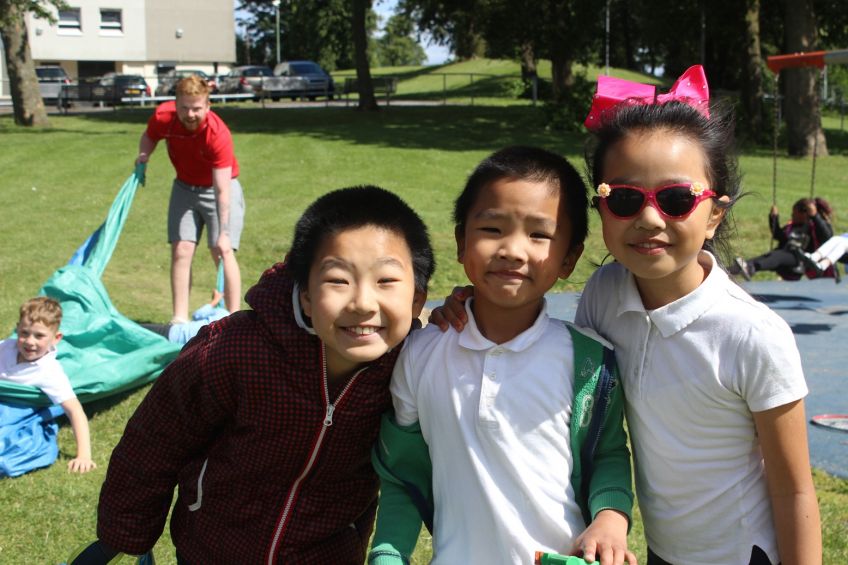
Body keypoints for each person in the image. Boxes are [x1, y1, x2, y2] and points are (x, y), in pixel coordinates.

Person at [433, 67, 822, 565]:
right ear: (601, 207)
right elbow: (562, 372)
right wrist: (470, 306)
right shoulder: (605, 293)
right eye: (625, 198)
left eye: (678, 199)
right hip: (663, 552)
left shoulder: (753, 335)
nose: (650, 218)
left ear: (716, 214)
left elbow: (795, 492)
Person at [72, 186, 434, 563]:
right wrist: (124, 534)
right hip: (212, 550)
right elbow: (156, 439)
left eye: (386, 281)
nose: (362, 303)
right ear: (306, 297)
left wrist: (465, 310)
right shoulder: (234, 350)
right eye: (338, 280)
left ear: (417, 299)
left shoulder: (413, 367)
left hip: (329, 554)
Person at [368, 147, 635, 565]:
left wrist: (611, 519)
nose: (513, 249)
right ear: (461, 242)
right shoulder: (419, 353)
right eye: (492, 228)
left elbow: (608, 454)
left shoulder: (588, 362)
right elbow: (402, 475)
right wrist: (387, 554)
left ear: (569, 258)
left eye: (539, 235)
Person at [136, 74, 245, 324]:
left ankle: (234, 319)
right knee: (181, 250)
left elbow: (222, 189)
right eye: (184, 108)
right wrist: (144, 155)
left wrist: (224, 232)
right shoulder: (165, 117)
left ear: (207, 106)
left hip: (219, 189)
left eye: (197, 108)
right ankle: (179, 319)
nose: (190, 114)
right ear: (175, 104)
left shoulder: (217, 134)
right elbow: (149, 136)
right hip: (184, 188)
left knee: (222, 251)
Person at [0, 297, 95, 473]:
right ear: (17, 329)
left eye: (39, 336)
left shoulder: (49, 372)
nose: (30, 341)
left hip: (17, 412)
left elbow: (74, 410)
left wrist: (84, 455)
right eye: (24, 333)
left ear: (56, 338)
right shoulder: (6, 348)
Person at [732, 197, 833, 281]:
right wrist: (773, 218)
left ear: (804, 214)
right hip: (784, 261)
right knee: (768, 255)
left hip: (800, 263)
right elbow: (779, 235)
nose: (792, 216)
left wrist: (815, 216)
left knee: (778, 255)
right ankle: (734, 269)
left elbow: (827, 236)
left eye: (794, 214)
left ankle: (750, 268)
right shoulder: (793, 226)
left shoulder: (814, 227)